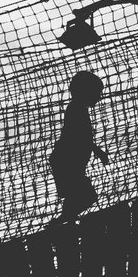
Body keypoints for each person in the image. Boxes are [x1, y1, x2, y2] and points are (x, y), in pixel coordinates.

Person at [49, 71, 109, 223]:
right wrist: (97, 151)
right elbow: (77, 136)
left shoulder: (78, 108)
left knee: (76, 197)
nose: (99, 97)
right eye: (96, 93)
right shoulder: (76, 109)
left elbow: (81, 137)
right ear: (86, 92)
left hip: (66, 161)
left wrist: (97, 151)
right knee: (84, 196)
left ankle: (64, 222)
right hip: (66, 162)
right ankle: (60, 223)